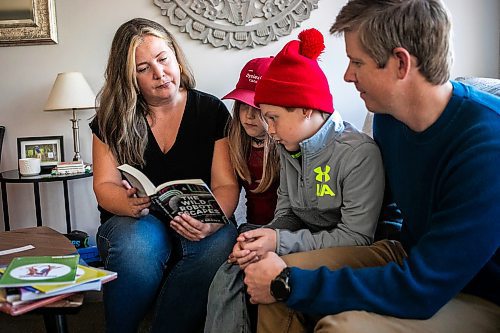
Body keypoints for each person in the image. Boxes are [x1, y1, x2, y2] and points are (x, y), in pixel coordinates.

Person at [244, 1, 500, 332]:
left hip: (477, 289)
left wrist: (291, 284)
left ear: (400, 63)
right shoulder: (388, 120)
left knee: (340, 326)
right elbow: (389, 214)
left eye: (357, 62)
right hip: (406, 253)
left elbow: (424, 288)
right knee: (273, 268)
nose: (347, 75)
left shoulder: (486, 145)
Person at [206, 28, 385, 333]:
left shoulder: (358, 153)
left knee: (273, 277)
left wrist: (278, 242)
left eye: (272, 118)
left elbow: (356, 238)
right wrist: (262, 237)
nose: (268, 128)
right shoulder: (287, 146)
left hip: (347, 246)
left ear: (305, 109)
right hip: (304, 240)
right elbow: (287, 213)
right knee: (236, 265)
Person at [90, 18, 238, 333]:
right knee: (137, 247)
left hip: (199, 217)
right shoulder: (112, 119)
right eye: (143, 68)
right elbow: (104, 186)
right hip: (135, 220)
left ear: (174, 55)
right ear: (129, 76)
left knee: (219, 245)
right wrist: (126, 202)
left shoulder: (210, 111)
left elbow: (225, 185)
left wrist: (213, 220)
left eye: (162, 59)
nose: (159, 73)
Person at [224, 56, 280, 227]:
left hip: (285, 231)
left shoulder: (286, 147)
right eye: (243, 105)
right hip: (251, 227)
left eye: (257, 107)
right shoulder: (236, 143)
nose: (249, 115)